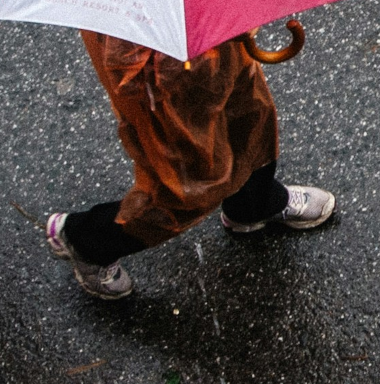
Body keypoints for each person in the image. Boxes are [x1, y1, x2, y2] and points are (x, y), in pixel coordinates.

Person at [45, 32, 335, 299]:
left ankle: (253, 204)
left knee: (247, 117)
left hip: (214, 32)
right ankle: (87, 239)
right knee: (188, 183)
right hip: (159, 64)